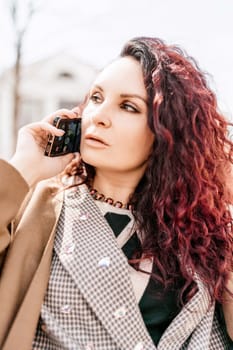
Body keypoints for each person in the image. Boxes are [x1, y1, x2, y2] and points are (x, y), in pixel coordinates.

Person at [0, 36, 233, 350]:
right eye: (96, 97)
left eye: (127, 106)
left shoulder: (203, 234)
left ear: (166, 133)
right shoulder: (38, 206)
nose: (98, 115)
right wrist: (24, 168)